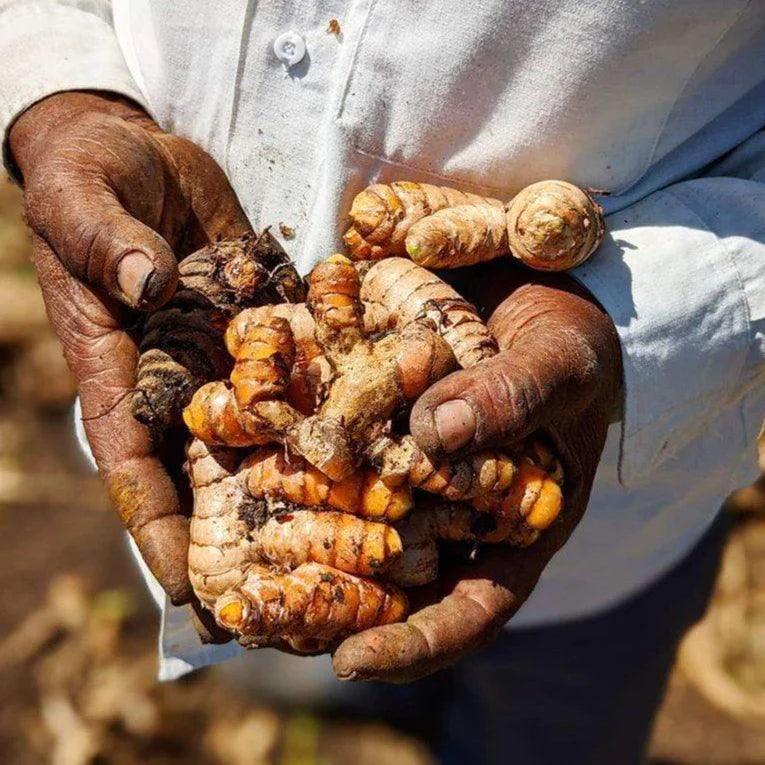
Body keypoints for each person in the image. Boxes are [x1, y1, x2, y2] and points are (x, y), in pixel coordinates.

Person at [2, 1, 765, 762]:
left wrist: (633, 309)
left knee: (553, 718)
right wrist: (63, 93)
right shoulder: (261, 409)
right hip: (246, 467)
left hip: (616, 526)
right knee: (333, 639)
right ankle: (353, 685)